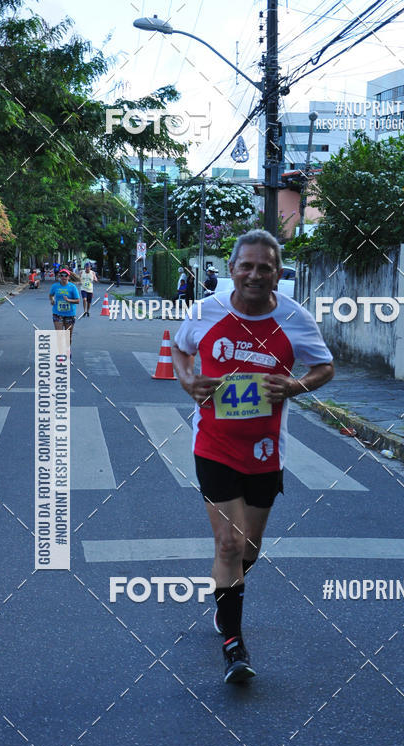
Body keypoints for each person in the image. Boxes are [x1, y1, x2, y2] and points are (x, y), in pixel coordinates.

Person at [172, 229, 334, 684]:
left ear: (278, 274)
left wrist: (294, 386)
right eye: (247, 266)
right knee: (229, 543)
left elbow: (325, 366)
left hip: (265, 452)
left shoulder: (295, 319)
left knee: (249, 549)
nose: (255, 274)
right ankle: (233, 645)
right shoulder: (205, 311)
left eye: (265, 267)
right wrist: (188, 381)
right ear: (232, 270)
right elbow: (180, 349)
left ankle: (226, 594)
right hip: (214, 445)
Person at [49, 268, 80, 356]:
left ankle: (67, 350)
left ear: (68, 277)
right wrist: (52, 300)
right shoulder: (55, 286)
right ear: (59, 276)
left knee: (68, 336)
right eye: (62, 275)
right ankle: (60, 353)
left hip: (70, 314)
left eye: (65, 275)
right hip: (57, 313)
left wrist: (68, 300)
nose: (63, 277)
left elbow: (78, 300)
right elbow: (51, 295)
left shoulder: (72, 287)